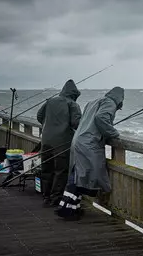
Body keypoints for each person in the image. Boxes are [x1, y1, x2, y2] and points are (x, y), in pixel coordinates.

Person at [56, 86, 124, 220]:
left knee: (78, 176)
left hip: (78, 140)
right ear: (119, 99)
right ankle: (66, 209)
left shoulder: (93, 102)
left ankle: (69, 207)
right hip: (89, 143)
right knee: (83, 176)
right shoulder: (109, 103)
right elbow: (101, 118)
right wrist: (113, 133)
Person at [37, 79, 82, 207]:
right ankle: (55, 198)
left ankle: (46, 197)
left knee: (46, 168)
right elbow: (76, 123)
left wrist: (49, 126)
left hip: (46, 141)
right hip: (63, 142)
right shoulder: (72, 104)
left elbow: (39, 116)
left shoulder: (50, 101)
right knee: (60, 170)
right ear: (74, 94)